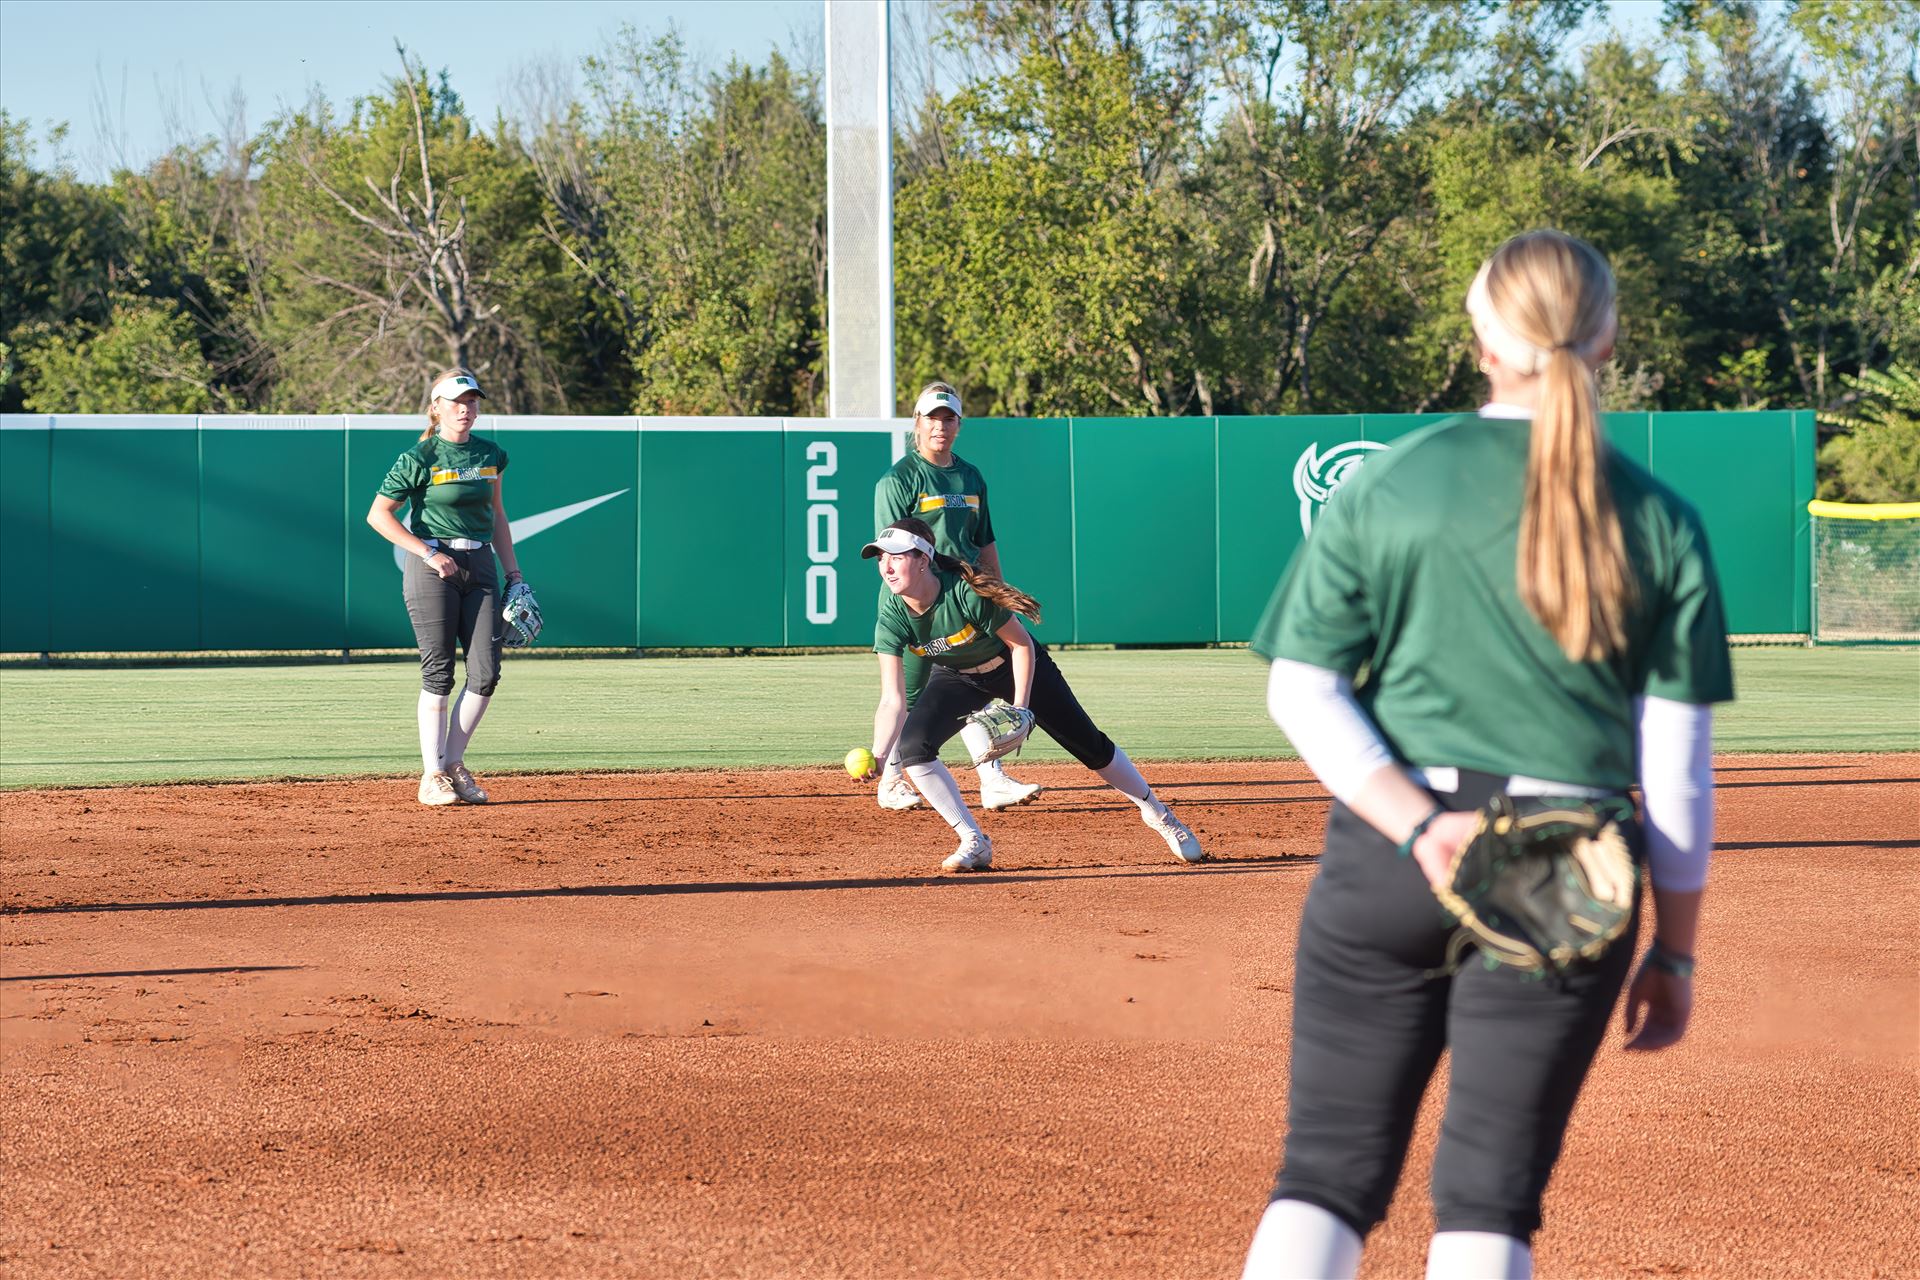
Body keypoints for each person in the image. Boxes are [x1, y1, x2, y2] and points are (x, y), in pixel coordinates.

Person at [1241, 231, 1733, 1280]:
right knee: (1488, 1202)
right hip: (1569, 872)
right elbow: (1678, 769)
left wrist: (1420, 824)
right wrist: (1677, 951)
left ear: (1481, 337)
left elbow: (1302, 685)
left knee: (1323, 1179)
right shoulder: (1660, 518)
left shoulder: (1398, 479)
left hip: (1396, 853)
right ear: (1606, 338)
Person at [856, 516, 1204, 872]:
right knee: (915, 749)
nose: (885, 565)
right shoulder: (892, 611)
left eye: (895, 556)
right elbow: (892, 700)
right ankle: (973, 841)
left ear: (923, 560)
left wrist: (1020, 708)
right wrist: (881, 754)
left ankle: (1158, 813)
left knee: (1090, 746)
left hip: (1014, 663)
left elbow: (1020, 645)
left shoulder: (963, 593)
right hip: (958, 676)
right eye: (880, 557)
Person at [870, 382, 1042, 813]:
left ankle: (992, 779)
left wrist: (999, 591)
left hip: (966, 599)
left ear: (959, 425)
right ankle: (890, 780)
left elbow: (984, 540)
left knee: (977, 683)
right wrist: (904, 603)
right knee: (911, 695)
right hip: (918, 603)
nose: (939, 426)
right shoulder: (899, 479)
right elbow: (891, 548)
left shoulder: (970, 476)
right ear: (917, 423)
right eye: (931, 418)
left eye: (948, 418)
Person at [366, 368, 526, 806]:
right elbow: (379, 515)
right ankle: (431, 774)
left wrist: (514, 574)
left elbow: (497, 515)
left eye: (473, 400)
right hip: (434, 565)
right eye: (457, 401)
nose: (466, 408)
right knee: (439, 673)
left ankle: (454, 764)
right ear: (436, 407)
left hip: (480, 564)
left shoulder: (492, 454)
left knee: (486, 673)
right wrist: (427, 553)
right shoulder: (419, 457)